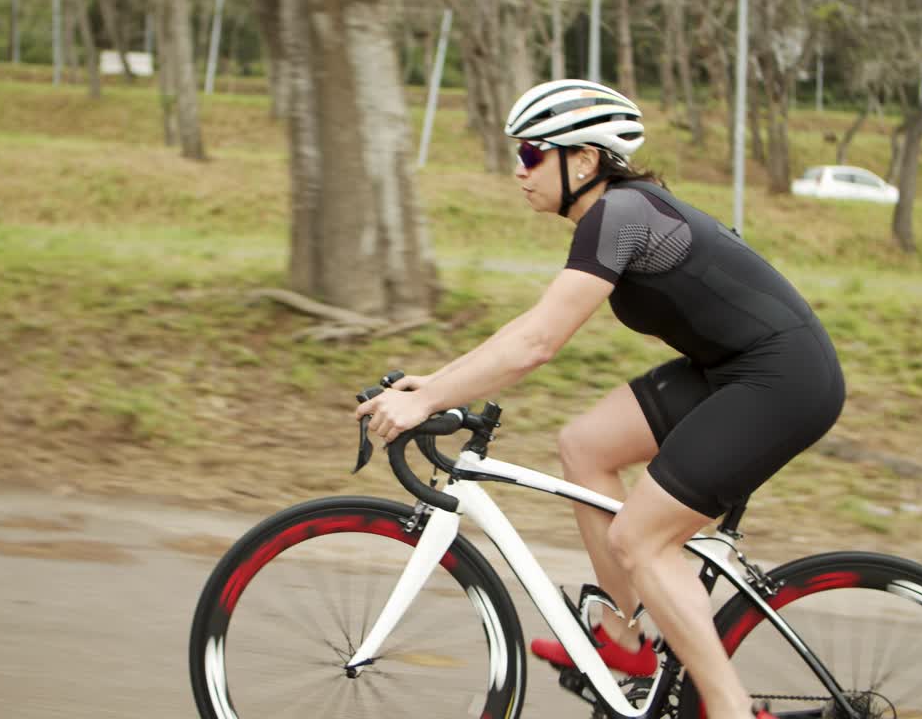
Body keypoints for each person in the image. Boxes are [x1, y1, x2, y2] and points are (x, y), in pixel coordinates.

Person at [354, 78, 844, 719]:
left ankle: (725, 709)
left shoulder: (621, 215)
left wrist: (430, 400)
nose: (518, 171)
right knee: (584, 445)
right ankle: (626, 640)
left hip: (784, 379)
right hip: (730, 368)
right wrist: (435, 385)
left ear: (582, 160)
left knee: (642, 540)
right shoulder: (613, 215)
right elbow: (529, 329)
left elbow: (537, 341)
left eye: (531, 154)